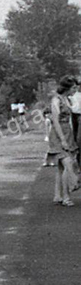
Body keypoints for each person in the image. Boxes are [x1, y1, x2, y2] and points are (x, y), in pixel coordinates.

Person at [48, 77, 78, 206]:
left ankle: (57, 195)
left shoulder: (67, 99)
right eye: (73, 88)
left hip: (68, 132)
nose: (75, 90)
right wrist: (63, 140)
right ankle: (66, 196)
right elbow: (55, 121)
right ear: (67, 88)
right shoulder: (56, 99)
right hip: (58, 135)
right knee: (68, 164)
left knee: (61, 167)